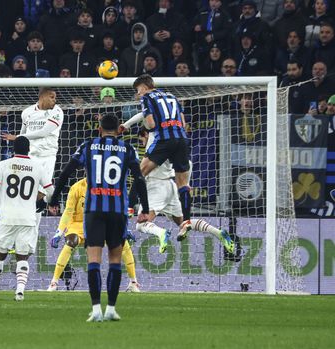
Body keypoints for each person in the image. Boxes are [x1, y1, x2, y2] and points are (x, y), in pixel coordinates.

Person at [49, 114, 150, 322]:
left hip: (94, 210)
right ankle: (111, 308)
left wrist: (54, 198)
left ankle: (96, 309)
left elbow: (66, 172)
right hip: (118, 211)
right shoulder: (128, 149)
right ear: (119, 130)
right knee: (115, 260)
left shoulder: (89, 145)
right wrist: (145, 208)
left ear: (99, 128)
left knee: (93, 260)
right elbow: (139, 179)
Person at [121, 127, 235, 255]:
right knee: (184, 223)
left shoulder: (155, 141)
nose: (141, 143)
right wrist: (186, 183)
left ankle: (161, 233)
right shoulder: (172, 145)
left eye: (141, 139)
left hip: (156, 186)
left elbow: (147, 117)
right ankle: (218, 233)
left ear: (146, 134)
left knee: (141, 225)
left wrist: (126, 124)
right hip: (171, 187)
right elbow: (189, 163)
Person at [0, 136, 53, 301]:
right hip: (28, 218)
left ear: (13, 149)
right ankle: (19, 292)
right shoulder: (37, 167)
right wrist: (45, 201)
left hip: (8, 218)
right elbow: (51, 191)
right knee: (22, 255)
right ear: (29, 150)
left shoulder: (4, 165)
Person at [48, 178, 142, 293]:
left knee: (122, 242)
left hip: (100, 223)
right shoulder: (76, 188)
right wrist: (59, 233)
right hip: (78, 225)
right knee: (71, 242)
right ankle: (54, 282)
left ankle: (133, 282)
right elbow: (68, 211)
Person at [129, 74, 193, 240]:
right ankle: (186, 221)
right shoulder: (172, 97)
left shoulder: (147, 97)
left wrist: (152, 130)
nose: (138, 94)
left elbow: (151, 124)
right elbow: (184, 123)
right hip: (182, 139)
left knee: (139, 171)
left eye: (138, 90)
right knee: (183, 184)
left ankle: (129, 208)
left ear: (143, 86)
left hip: (164, 139)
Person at [0, 87, 63, 252]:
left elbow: (44, 132)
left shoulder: (57, 112)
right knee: (24, 197)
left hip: (47, 158)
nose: (54, 100)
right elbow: (23, 134)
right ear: (43, 97)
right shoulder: (27, 112)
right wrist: (17, 148)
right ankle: (19, 242)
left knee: (39, 199)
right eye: (52, 97)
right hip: (29, 158)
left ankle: (27, 244)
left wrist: (18, 137)